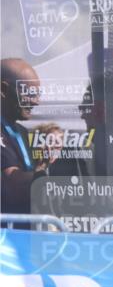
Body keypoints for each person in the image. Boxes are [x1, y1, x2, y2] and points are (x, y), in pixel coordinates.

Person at [1, 58, 59, 214]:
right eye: (30, 93)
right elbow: (11, 183)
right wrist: (41, 173)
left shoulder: (22, 131)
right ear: (3, 90)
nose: (36, 102)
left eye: (38, 94)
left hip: (28, 232)